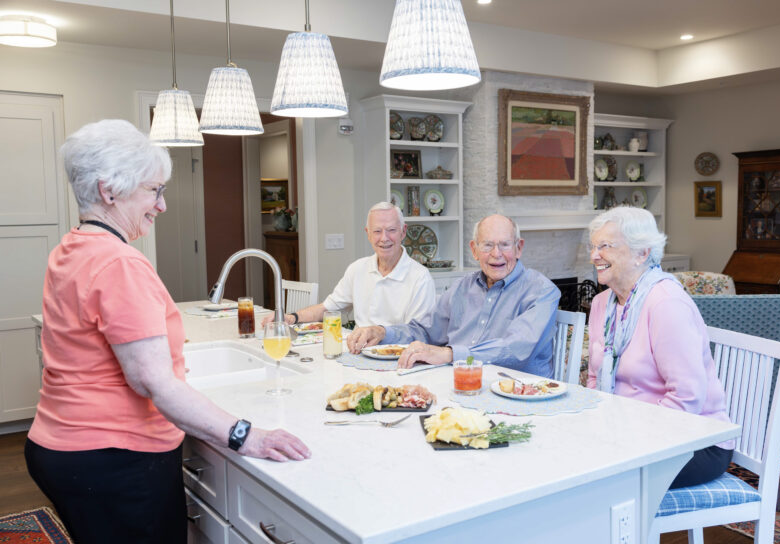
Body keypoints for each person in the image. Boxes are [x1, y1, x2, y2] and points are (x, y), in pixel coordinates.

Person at [25, 120, 310, 544]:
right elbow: (152, 381)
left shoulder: (73, 246)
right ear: (110, 191)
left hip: (64, 444)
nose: (161, 204)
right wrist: (245, 435)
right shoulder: (119, 262)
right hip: (112, 456)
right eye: (153, 190)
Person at [585, 206, 734, 489]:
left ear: (643, 253)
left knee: (591, 475)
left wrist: (628, 437)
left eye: (605, 246)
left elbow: (687, 395)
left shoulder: (666, 303)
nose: (594, 255)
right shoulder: (601, 304)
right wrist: (597, 426)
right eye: (593, 246)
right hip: (623, 431)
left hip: (693, 440)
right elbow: (595, 378)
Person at [348, 214, 561, 377]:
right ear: (474, 250)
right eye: (487, 245)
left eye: (504, 244)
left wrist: (449, 354)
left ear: (518, 248)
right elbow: (425, 330)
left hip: (517, 393)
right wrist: (382, 332)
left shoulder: (542, 291)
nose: (496, 254)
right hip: (456, 384)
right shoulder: (462, 287)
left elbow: (515, 349)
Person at [274, 201, 435, 328]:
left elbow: (417, 333)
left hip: (398, 359)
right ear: (368, 234)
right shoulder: (358, 269)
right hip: (358, 353)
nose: (384, 238)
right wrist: (291, 317)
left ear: (404, 231)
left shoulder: (420, 277)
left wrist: (380, 332)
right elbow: (327, 308)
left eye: (391, 230)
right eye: (377, 231)